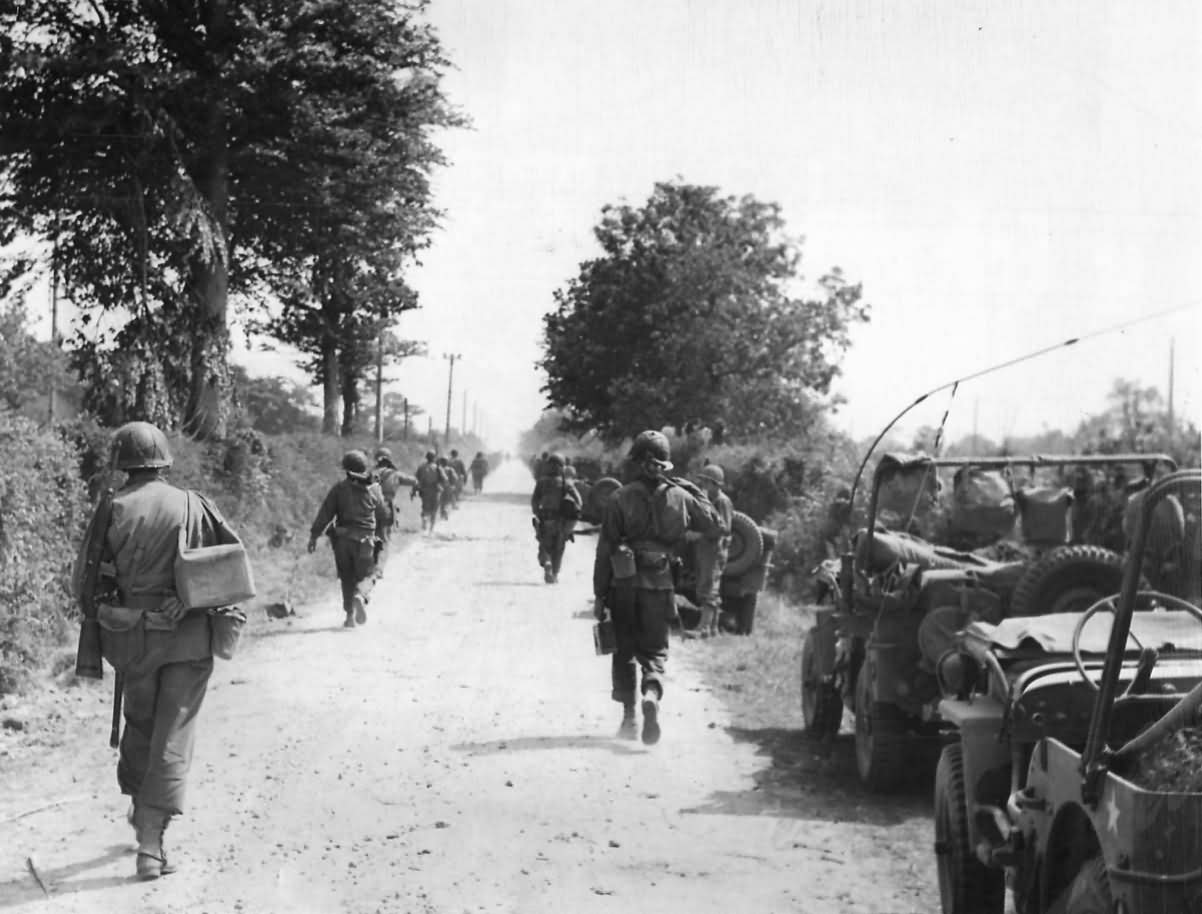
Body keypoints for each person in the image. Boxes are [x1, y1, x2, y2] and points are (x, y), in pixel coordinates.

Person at [71, 421, 244, 880]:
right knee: (174, 735)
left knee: (141, 724)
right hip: (187, 640)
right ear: (164, 460)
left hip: (132, 641)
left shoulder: (110, 508)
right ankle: (151, 844)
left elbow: (84, 584)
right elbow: (231, 569)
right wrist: (186, 597)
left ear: (121, 463)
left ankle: (139, 807)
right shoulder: (192, 504)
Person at [593, 430, 720, 744]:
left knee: (624, 649)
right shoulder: (681, 496)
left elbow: (606, 549)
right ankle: (651, 690)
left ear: (636, 462)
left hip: (624, 584)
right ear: (665, 464)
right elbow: (713, 524)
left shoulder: (620, 497)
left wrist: (599, 595)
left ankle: (629, 720)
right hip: (660, 584)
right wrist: (692, 489)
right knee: (655, 651)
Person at [308, 450, 389, 628]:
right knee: (369, 574)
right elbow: (384, 515)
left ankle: (350, 616)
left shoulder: (339, 489)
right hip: (365, 541)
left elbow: (325, 513)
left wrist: (314, 535)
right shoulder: (374, 488)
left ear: (346, 468)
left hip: (343, 541)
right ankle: (361, 596)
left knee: (347, 577)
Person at [683, 464, 733, 639]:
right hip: (707, 549)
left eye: (706, 481)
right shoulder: (709, 499)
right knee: (709, 587)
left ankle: (702, 629)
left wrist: (699, 535)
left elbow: (724, 528)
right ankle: (712, 629)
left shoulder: (722, 501)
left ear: (714, 483)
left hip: (714, 550)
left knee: (708, 588)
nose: (703, 485)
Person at [531, 453, 583, 584]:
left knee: (545, 545)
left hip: (545, 519)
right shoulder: (566, 483)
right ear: (562, 467)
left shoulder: (541, 482)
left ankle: (547, 562)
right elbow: (579, 501)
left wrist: (537, 512)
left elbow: (534, 501)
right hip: (561, 521)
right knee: (558, 548)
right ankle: (554, 574)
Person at [372, 447, 416, 539]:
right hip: (388, 505)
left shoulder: (371, 472)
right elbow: (412, 481)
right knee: (386, 532)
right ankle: (384, 549)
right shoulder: (395, 473)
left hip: (371, 505)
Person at [412, 450, 445, 534]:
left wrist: (414, 491)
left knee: (425, 507)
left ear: (426, 457)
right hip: (435, 491)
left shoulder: (421, 467)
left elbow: (416, 480)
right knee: (434, 509)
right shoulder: (437, 467)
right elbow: (444, 479)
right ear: (434, 458)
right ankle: (431, 529)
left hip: (424, 490)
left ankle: (425, 519)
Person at [436, 456, 456, 520]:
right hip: (448, 487)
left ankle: (442, 513)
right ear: (447, 462)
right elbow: (454, 478)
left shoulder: (438, 469)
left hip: (439, 487)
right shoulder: (450, 469)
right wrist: (453, 485)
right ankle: (445, 510)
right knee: (447, 501)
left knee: (441, 500)